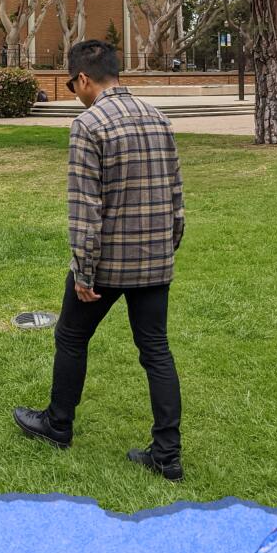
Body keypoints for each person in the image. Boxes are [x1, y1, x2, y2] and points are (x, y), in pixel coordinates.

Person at [12, 39, 186, 480]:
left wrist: (83, 271)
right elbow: (176, 197)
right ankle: (167, 453)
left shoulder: (88, 126)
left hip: (107, 264)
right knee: (156, 351)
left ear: (84, 79)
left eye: (73, 84)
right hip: (154, 259)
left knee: (71, 337)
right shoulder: (159, 118)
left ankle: (58, 423)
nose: (74, 92)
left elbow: (85, 209)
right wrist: (169, 245)